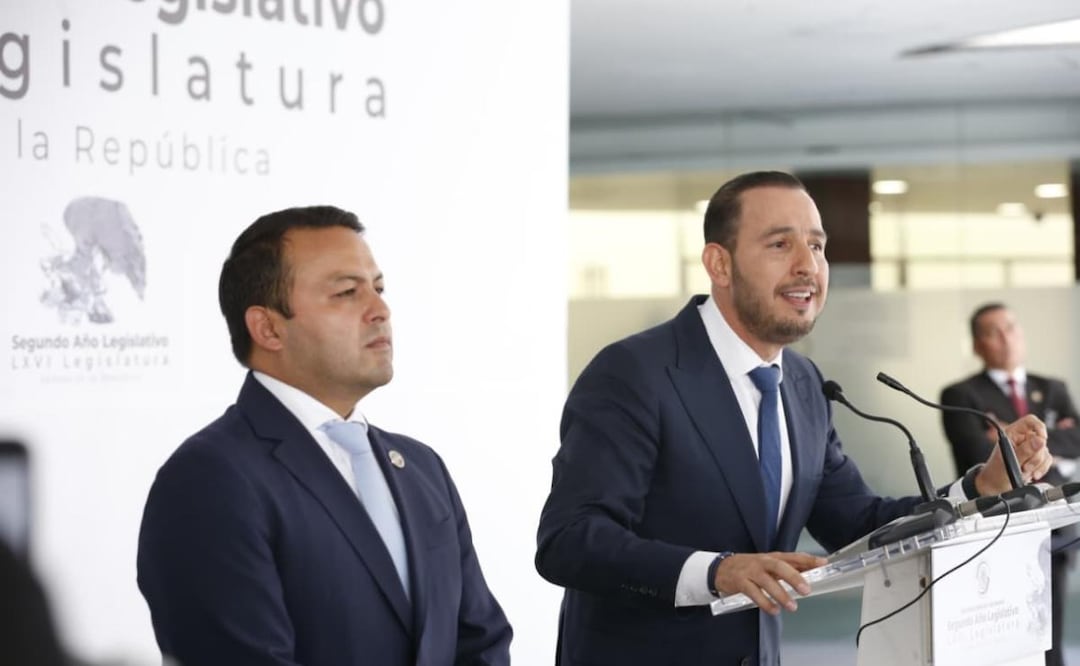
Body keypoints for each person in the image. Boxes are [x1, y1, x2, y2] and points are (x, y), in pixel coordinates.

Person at [534, 171, 1052, 666]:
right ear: (719, 264)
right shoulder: (635, 373)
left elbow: (858, 521)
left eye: (818, 246)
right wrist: (717, 572)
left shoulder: (802, 383)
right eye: (781, 245)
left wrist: (982, 485)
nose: (809, 265)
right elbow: (570, 540)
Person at [137, 206, 511, 666]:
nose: (380, 310)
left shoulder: (421, 467)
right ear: (269, 327)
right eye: (347, 293)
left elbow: (480, 640)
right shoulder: (209, 479)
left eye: (378, 288)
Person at [941, 302, 1079, 666]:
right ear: (976, 345)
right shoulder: (960, 395)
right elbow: (975, 451)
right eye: (993, 332)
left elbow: (1077, 440)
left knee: (1048, 631)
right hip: (995, 525)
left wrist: (1004, 431)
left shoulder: (1052, 387)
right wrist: (1047, 443)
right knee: (999, 631)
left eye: (1011, 328)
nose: (1006, 338)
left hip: (1054, 526)